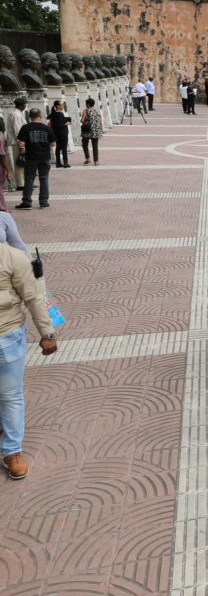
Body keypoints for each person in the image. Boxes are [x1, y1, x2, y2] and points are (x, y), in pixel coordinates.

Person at [0, 243, 59, 480]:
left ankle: (12, 450)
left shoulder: (13, 258)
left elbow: (34, 297)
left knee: (10, 395)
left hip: (7, 336)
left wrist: (48, 333)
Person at [15, 109, 55, 210]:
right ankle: (44, 202)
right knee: (44, 179)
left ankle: (27, 202)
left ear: (30, 117)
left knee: (29, 179)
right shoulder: (47, 128)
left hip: (31, 157)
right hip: (45, 157)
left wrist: (23, 150)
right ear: (40, 116)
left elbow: (21, 143)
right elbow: (53, 143)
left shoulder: (25, 128)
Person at [4, 98, 27, 190]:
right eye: (24, 104)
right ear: (21, 105)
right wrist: (21, 145)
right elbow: (18, 131)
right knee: (20, 162)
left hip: (18, 141)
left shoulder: (15, 113)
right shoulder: (16, 114)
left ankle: (24, 182)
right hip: (18, 141)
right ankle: (21, 184)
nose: (25, 106)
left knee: (22, 162)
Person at [47, 100, 70, 169]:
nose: (63, 105)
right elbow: (61, 124)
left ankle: (58, 162)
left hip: (56, 133)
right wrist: (68, 123)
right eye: (61, 104)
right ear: (58, 106)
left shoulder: (53, 114)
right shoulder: (59, 114)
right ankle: (65, 163)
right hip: (62, 133)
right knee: (64, 148)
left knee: (58, 147)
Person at [79, 98, 102, 166]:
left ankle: (88, 158)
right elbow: (100, 121)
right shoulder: (96, 111)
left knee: (84, 144)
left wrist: (86, 121)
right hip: (96, 130)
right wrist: (100, 130)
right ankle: (96, 161)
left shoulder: (86, 111)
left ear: (88, 104)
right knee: (95, 145)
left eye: (86, 104)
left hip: (87, 131)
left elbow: (82, 120)